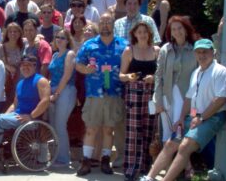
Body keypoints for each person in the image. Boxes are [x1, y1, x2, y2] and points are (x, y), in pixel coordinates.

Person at [140, 39, 226, 181]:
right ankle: (149, 178)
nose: (202, 55)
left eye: (205, 51)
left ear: (213, 52)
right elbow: (188, 98)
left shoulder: (221, 71)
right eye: (198, 52)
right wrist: (181, 118)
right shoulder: (196, 72)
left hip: (213, 117)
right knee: (170, 144)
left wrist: (201, 118)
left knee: (185, 146)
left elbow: (220, 99)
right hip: (194, 117)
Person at [0, 54, 51, 166]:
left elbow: (45, 101)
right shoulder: (20, 83)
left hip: (30, 120)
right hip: (17, 116)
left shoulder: (41, 81)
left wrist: (31, 116)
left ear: (35, 66)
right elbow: (14, 105)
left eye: (29, 65)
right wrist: (4, 115)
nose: (25, 67)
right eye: (23, 65)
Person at [76, 13, 128, 176]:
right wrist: (85, 70)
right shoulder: (89, 44)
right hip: (94, 93)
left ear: (113, 24)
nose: (105, 25)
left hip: (114, 92)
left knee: (108, 130)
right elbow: (78, 63)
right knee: (91, 129)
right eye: (103, 22)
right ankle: (86, 161)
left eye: (108, 22)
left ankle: (106, 160)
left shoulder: (123, 45)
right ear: (99, 24)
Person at [119, 22, 160, 181]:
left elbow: (161, 75)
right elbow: (121, 75)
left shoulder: (156, 51)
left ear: (149, 34)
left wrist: (154, 78)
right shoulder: (129, 51)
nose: (142, 34)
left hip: (151, 93)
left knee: (149, 129)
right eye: (139, 32)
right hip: (134, 93)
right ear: (134, 34)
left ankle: (146, 168)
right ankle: (131, 168)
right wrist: (129, 77)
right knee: (133, 130)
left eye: (145, 32)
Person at [154, 16, 198, 143]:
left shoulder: (195, 49)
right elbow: (158, 75)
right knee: (166, 133)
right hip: (166, 96)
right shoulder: (165, 49)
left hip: (187, 97)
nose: (177, 31)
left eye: (180, 28)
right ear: (170, 32)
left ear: (186, 29)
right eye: (173, 29)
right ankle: (166, 161)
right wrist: (158, 100)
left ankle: (181, 162)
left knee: (180, 130)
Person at [48, 29, 76, 167]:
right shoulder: (54, 56)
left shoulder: (70, 54)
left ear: (68, 40)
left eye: (63, 38)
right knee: (53, 125)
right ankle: (57, 156)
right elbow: (52, 76)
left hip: (66, 91)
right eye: (57, 37)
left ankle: (64, 159)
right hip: (53, 90)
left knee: (60, 125)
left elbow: (67, 75)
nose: (59, 39)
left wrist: (56, 94)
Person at [0, 23, 24, 110]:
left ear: (20, 33)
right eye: (10, 32)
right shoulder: (0, 48)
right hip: (5, 80)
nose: (13, 34)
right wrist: (8, 67)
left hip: (18, 79)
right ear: (7, 34)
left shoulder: (22, 46)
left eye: (15, 31)